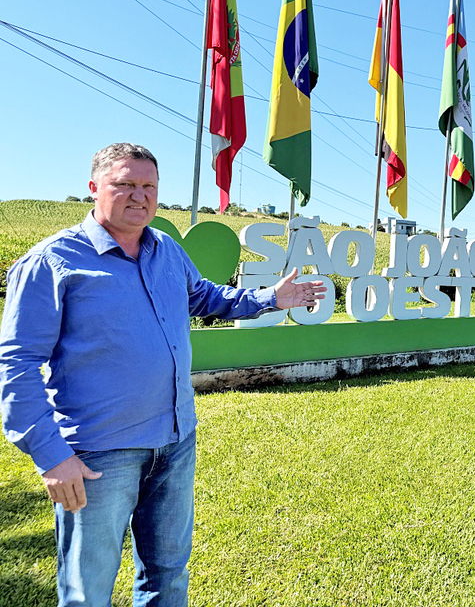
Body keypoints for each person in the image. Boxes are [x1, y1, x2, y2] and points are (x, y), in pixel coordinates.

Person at [0, 143, 326, 606]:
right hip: (96, 456)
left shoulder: (167, 251)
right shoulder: (52, 262)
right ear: (94, 188)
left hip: (174, 442)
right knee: (86, 589)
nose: (139, 196)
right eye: (125, 185)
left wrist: (270, 297)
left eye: (148, 186)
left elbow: (208, 298)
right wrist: (51, 456)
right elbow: (15, 365)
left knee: (167, 574)